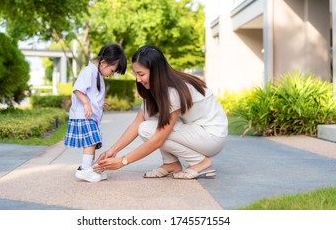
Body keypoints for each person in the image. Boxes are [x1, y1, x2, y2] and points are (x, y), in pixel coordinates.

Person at [94, 45, 227, 179]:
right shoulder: (155, 89)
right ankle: (171, 164)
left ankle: (200, 162)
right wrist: (112, 151)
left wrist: (123, 161)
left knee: (147, 129)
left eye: (141, 74)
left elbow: (158, 139)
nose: (138, 80)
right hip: (196, 132)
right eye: (136, 74)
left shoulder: (173, 92)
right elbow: (137, 123)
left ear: (156, 71)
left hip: (212, 136)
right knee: (145, 126)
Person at [64, 43, 127, 182]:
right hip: (83, 115)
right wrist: (86, 103)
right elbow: (78, 90)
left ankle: (87, 168)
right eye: (112, 70)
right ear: (103, 63)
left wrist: (98, 103)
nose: (111, 75)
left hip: (89, 116)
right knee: (91, 142)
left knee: (92, 142)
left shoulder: (96, 73)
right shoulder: (89, 71)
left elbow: (90, 93)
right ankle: (85, 170)